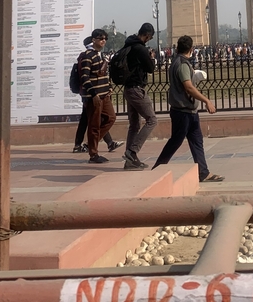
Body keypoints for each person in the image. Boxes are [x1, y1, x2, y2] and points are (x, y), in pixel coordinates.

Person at [152, 34, 223, 183]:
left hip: (189, 112)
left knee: (197, 141)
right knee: (175, 142)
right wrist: (206, 100)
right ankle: (156, 169)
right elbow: (189, 87)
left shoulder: (177, 62)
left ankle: (203, 172)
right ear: (191, 49)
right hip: (182, 112)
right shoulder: (182, 64)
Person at [72, 29, 118, 163]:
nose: (103, 40)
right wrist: (93, 94)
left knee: (111, 118)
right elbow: (84, 78)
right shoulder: (87, 56)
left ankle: (91, 143)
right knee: (94, 125)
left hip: (104, 95)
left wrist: (109, 87)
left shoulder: (100, 55)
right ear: (93, 40)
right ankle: (93, 154)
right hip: (94, 97)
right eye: (101, 38)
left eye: (105, 38)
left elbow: (103, 74)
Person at [121, 22, 158, 171]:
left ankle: (130, 160)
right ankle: (132, 152)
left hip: (128, 88)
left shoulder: (128, 44)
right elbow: (150, 68)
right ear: (147, 35)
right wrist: (151, 57)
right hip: (137, 89)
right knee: (152, 120)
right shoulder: (140, 48)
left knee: (134, 124)